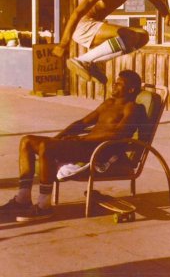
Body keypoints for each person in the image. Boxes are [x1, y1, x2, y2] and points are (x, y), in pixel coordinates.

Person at [0, 70, 147, 222]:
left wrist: (80, 139)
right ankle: (23, 199)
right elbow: (82, 123)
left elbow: (118, 134)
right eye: (115, 82)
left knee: (46, 147)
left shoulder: (133, 108)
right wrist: (58, 137)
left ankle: (44, 206)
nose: (114, 85)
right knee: (27, 141)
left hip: (100, 151)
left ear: (131, 90)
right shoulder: (108, 103)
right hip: (85, 144)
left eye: (119, 84)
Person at [52, 0, 170, 84]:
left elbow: (156, 0)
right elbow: (77, 13)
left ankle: (93, 62)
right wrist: (63, 43)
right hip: (83, 26)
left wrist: (166, 14)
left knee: (143, 36)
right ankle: (82, 60)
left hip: (96, 25)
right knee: (130, 36)